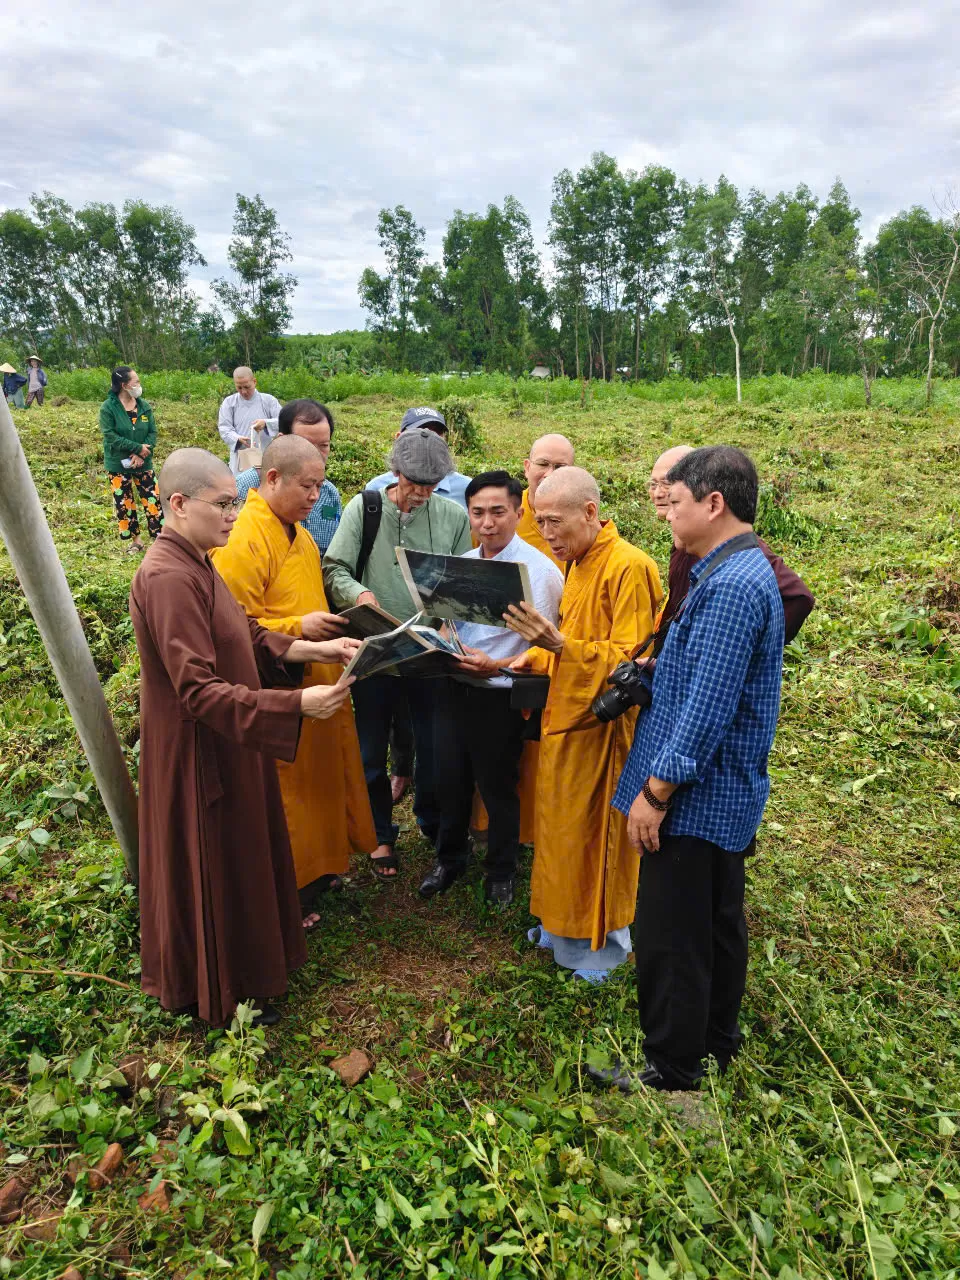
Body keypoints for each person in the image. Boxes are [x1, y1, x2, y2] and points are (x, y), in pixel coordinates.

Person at [129, 448, 360, 1027]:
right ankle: (219, 988)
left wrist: (310, 648)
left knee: (242, 855)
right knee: (216, 864)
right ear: (179, 504)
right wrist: (297, 704)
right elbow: (196, 690)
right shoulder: (168, 577)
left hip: (233, 736)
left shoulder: (200, 561)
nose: (235, 515)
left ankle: (252, 971)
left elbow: (245, 633)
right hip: (200, 750)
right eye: (224, 504)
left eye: (236, 501)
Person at [592, 446, 785, 1093]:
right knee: (716, 922)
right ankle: (716, 1042)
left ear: (713, 503)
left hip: (697, 796)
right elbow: (706, 679)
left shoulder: (730, 588)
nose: (666, 512)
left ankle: (675, 1071)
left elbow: (708, 710)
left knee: (672, 935)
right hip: (723, 791)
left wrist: (656, 792)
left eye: (674, 501)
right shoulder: (733, 571)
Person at [211, 436, 376, 928]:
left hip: (320, 676)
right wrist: (298, 628)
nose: (315, 497)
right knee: (288, 794)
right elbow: (235, 628)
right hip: (279, 686)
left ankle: (321, 869)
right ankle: (291, 889)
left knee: (321, 780)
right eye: (307, 486)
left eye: (320, 486)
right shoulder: (244, 536)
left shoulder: (298, 533)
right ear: (272, 478)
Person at [505, 467, 662, 982]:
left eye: (555, 522)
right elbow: (574, 636)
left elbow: (632, 661)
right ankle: (559, 927)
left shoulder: (629, 566)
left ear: (590, 512)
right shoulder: (579, 561)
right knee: (560, 831)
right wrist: (537, 656)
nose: (546, 534)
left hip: (604, 731)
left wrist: (557, 646)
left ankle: (601, 950)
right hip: (564, 719)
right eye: (540, 522)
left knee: (596, 838)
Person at [323, 428, 471, 879]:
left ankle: (430, 821)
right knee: (370, 750)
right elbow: (335, 568)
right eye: (412, 484)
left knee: (433, 748)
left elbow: (460, 583)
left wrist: (446, 624)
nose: (420, 494)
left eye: (430, 485)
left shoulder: (453, 516)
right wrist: (360, 595)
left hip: (428, 655)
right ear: (395, 472)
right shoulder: (365, 507)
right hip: (375, 652)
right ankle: (379, 834)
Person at [419, 471, 564, 907]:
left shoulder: (539, 572)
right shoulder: (464, 563)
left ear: (519, 513)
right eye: (478, 512)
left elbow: (546, 647)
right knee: (449, 779)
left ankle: (501, 871)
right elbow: (449, 623)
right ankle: (449, 859)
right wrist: (439, 642)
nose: (487, 523)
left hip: (500, 695)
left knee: (498, 786)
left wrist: (495, 664)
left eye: (498, 512)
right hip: (454, 686)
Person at [649, 445, 815, 641]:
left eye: (667, 483)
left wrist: (752, 644)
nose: (658, 493)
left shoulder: (734, 548)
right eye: (653, 484)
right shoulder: (688, 540)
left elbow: (798, 597)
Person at [235, 399, 342, 556]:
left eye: (324, 445)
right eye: (306, 444)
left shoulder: (330, 494)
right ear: (281, 439)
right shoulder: (245, 487)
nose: (316, 454)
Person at [99, 366, 163, 554]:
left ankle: (159, 540)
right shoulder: (108, 408)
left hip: (144, 462)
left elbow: (152, 433)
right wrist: (137, 448)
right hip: (118, 464)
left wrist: (141, 453)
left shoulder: (144, 406)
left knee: (153, 499)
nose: (139, 385)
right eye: (136, 382)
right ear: (124, 385)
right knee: (124, 502)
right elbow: (110, 436)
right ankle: (136, 541)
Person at [365, 407, 472, 510]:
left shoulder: (466, 488)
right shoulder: (376, 489)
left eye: (436, 434)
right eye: (420, 432)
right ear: (399, 439)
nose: (428, 441)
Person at [518, 434, 575, 568]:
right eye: (543, 464)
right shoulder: (506, 512)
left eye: (559, 467)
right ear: (527, 467)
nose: (549, 474)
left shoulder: (581, 518)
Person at [217, 366, 281, 474]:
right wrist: (236, 438)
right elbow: (224, 427)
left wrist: (266, 423)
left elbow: (282, 421)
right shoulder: (229, 402)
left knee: (264, 480)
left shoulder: (268, 400)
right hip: (240, 457)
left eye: (247, 387)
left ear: (254, 382)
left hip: (264, 453)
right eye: (239, 387)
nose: (244, 391)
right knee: (240, 482)